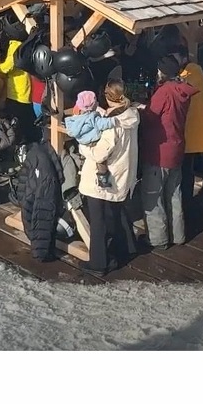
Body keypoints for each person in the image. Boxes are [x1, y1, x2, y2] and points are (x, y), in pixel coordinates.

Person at [77, 80, 141, 276]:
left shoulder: (113, 125)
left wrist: (83, 145)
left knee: (98, 221)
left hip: (105, 179)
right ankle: (127, 247)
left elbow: (99, 153)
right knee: (116, 212)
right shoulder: (132, 115)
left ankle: (99, 263)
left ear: (107, 97)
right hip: (123, 173)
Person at [138, 55, 197, 251]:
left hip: (159, 151)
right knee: (174, 194)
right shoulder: (182, 89)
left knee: (154, 196)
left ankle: (158, 239)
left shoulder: (164, 92)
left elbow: (151, 117)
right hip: (176, 148)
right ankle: (178, 235)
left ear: (162, 72)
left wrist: (140, 110)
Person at [170, 44, 203, 213]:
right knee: (202, 166)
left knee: (186, 170)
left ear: (184, 58)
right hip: (202, 126)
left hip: (188, 128)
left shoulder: (187, 78)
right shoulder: (200, 74)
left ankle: (186, 204)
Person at [0, 20, 36, 142]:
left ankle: (22, 145)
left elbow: (9, 66)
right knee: (28, 120)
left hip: (16, 91)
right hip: (26, 88)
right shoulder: (26, 45)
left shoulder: (14, 46)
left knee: (19, 122)